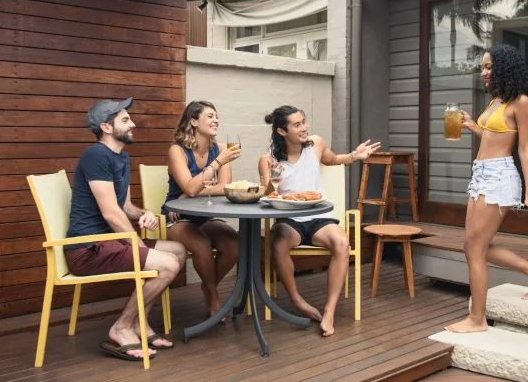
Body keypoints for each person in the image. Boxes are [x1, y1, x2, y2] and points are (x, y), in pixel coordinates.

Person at [445, 44, 528, 333]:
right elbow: (493, 135)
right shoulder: (497, 100)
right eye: (483, 66)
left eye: (489, 67)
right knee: (473, 246)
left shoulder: (521, 102)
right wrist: (471, 125)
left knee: (475, 249)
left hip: (500, 177)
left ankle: (477, 319)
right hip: (480, 174)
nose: (483, 72)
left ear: (505, 68)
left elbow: (524, 149)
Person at [65, 97, 186, 360]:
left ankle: (138, 323)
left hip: (111, 242)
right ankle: (121, 327)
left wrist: (145, 215)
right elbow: (110, 213)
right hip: (87, 249)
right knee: (168, 265)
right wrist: (138, 244)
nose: (133, 123)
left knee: (177, 251)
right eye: (125, 120)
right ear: (106, 128)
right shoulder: (96, 155)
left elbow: (125, 207)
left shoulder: (121, 156)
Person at [258, 105, 380, 337]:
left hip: (319, 217)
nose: (304, 128)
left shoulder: (315, 145)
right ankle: (298, 301)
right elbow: (267, 196)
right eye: (297, 125)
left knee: (342, 243)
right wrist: (273, 177)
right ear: (282, 131)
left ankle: (329, 311)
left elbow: (333, 159)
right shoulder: (269, 159)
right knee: (278, 245)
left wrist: (355, 156)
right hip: (289, 220)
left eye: (304, 122)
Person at [162, 101, 241, 317]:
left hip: (205, 215)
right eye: (210, 116)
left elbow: (225, 188)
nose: (216, 120)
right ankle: (214, 297)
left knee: (234, 244)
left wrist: (189, 193)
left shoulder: (221, 149)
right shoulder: (177, 151)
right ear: (194, 121)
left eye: (217, 116)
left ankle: (208, 285)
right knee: (202, 246)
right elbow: (190, 184)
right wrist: (216, 165)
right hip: (178, 217)